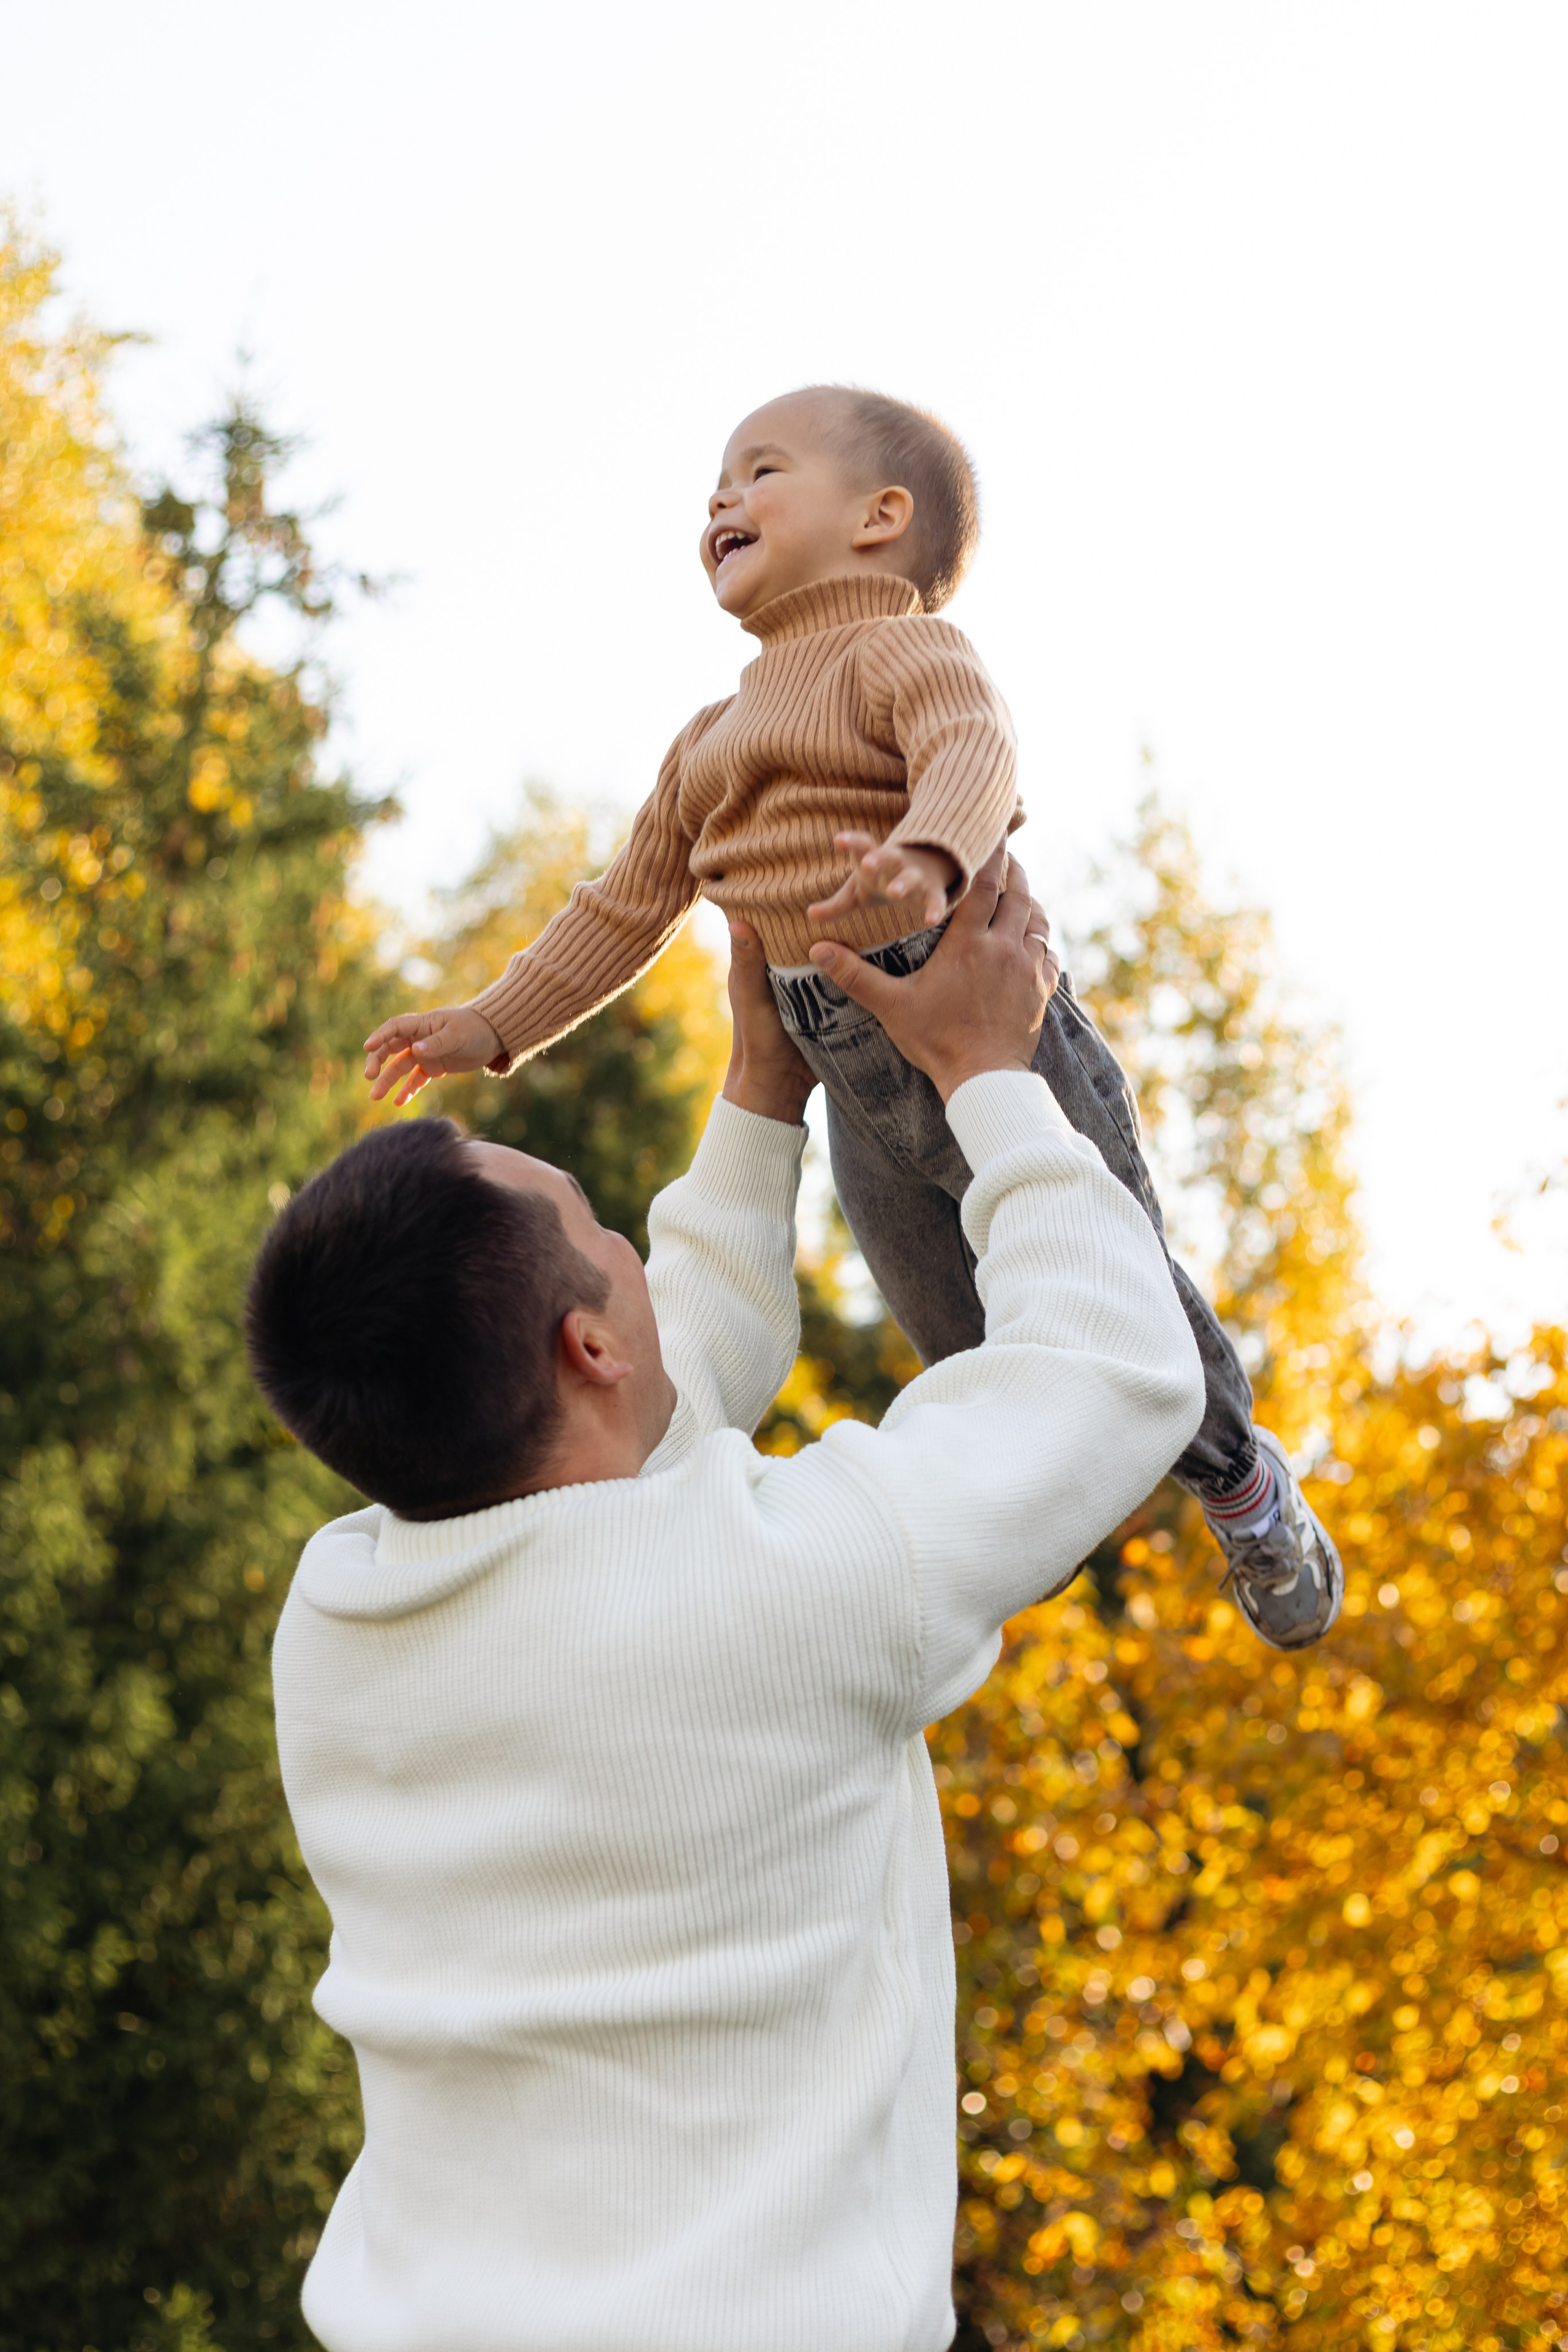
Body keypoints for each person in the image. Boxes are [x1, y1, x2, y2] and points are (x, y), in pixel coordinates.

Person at [250, 857, 1205, 2352]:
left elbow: (650, 1410)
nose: (633, 1244)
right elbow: (1111, 1371)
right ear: (583, 1344)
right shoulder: (786, 1589)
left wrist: (762, 1090)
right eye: (598, 1224)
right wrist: (988, 1073)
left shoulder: (336, 1621)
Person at [360, 384, 1340, 1649]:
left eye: (758, 472)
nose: (720, 500)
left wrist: (929, 858)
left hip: (965, 999)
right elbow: (624, 906)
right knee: (945, 1317)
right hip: (832, 1058)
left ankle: (1238, 1481)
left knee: (1112, 1272)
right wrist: (491, 1022)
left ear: (881, 519)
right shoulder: (708, 740)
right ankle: (1041, 1502)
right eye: (713, 485)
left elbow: (971, 753)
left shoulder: (903, 653)